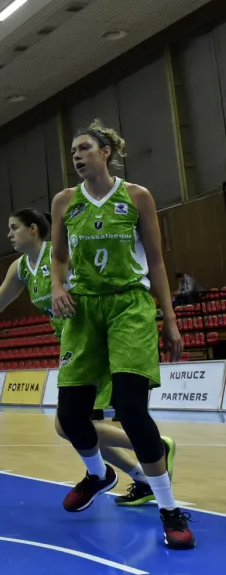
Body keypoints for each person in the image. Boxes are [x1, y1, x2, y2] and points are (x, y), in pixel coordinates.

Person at [0, 208, 176, 506]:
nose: (8, 234)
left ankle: (150, 449)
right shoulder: (21, 267)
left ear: (33, 229)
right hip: (73, 341)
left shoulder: (63, 253)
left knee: (69, 424)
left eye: (14, 228)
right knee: (74, 427)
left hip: (97, 339)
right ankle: (141, 472)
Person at [49, 120, 192, 548]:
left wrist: (169, 319)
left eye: (85, 148)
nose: (77, 156)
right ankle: (99, 475)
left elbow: (158, 260)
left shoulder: (136, 197)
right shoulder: (64, 202)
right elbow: (58, 258)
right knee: (71, 416)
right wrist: (58, 285)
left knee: (131, 410)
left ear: (106, 152)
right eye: (73, 151)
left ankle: (168, 507)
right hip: (83, 310)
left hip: (129, 305)